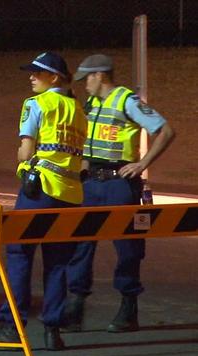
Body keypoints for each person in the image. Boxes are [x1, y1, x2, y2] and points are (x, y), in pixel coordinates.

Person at [0, 52, 87, 351]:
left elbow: (26, 152)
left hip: (39, 190)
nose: (30, 77)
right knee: (57, 262)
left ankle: (12, 326)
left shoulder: (36, 104)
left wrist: (21, 157)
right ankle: (52, 330)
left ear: (53, 77)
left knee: (19, 254)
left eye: (37, 73)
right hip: (69, 194)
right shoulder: (77, 109)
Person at [64, 54, 175, 333]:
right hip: (91, 184)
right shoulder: (92, 103)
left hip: (118, 185)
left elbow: (165, 131)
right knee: (80, 245)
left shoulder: (127, 101)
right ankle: (75, 307)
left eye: (86, 78)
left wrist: (142, 164)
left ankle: (128, 307)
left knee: (127, 248)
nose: (84, 84)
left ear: (99, 75)